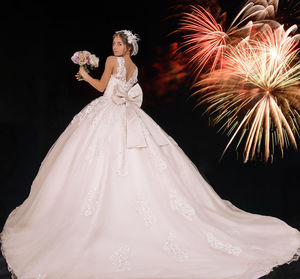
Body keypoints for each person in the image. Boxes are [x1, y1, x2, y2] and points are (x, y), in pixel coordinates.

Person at [0, 29, 299, 279]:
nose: (114, 47)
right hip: (129, 117)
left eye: (118, 44)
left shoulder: (110, 61)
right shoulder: (135, 68)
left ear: (127, 47)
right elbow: (123, 87)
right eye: (114, 44)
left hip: (110, 115)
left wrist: (83, 74)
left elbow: (103, 87)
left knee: (100, 163)